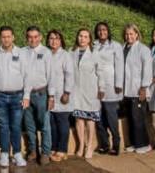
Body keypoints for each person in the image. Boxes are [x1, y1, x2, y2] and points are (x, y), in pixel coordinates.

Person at [0, 25, 28, 168]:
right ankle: (5, 154)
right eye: (3, 36)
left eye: (8, 36)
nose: (6, 39)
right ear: (0, 38)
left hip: (17, 96)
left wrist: (26, 96)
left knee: (16, 126)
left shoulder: (21, 53)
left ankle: (18, 153)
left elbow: (27, 76)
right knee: (3, 126)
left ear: (13, 37)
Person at [66, 28, 100, 160]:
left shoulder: (94, 53)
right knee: (79, 119)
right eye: (80, 36)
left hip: (91, 91)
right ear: (77, 37)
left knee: (90, 120)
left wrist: (101, 89)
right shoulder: (71, 52)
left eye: (86, 37)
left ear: (89, 39)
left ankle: (90, 146)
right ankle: (81, 145)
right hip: (76, 91)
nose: (82, 39)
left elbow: (100, 72)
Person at [20, 25, 53, 164]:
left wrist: (51, 96)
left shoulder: (46, 52)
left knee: (45, 125)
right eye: (30, 37)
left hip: (41, 94)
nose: (33, 40)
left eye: (35, 37)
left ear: (40, 37)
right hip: (26, 95)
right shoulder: (22, 52)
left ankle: (45, 153)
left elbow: (51, 75)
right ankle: (33, 150)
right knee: (29, 125)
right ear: (26, 38)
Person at [92, 22, 124, 156]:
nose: (102, 32)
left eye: (104, 29)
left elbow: (119, 65)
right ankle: (104, 144)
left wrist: (119, 84)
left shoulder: (115, 45)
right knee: (99, 117)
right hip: (96, 85)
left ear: (108, 31)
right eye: (99, 30)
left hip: (111, 85)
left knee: (111, 116)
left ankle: (116, 144)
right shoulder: (93, 45)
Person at [121, 24, 152, 154]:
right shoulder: (123, 48)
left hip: (138, 89)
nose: (129, 36)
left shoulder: (143, 49)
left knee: (138, 117)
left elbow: (147, 70)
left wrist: (144, 87)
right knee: (130, 117)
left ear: (137, 35)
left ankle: (144, 144)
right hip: (126, 90)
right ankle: (134, 143)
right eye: (127, 34)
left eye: (131, 34)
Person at [46, 31, 71, 162]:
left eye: (57, 38)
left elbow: (69, 75)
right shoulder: (46, 54)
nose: (54, 41)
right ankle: (54, 148)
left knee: (62, 123)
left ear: (61, 41)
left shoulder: (65, 55)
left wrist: (67, 92)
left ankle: (62, 150)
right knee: (52, 123)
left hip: (62, 95)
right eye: (51, 38)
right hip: (50, 96)